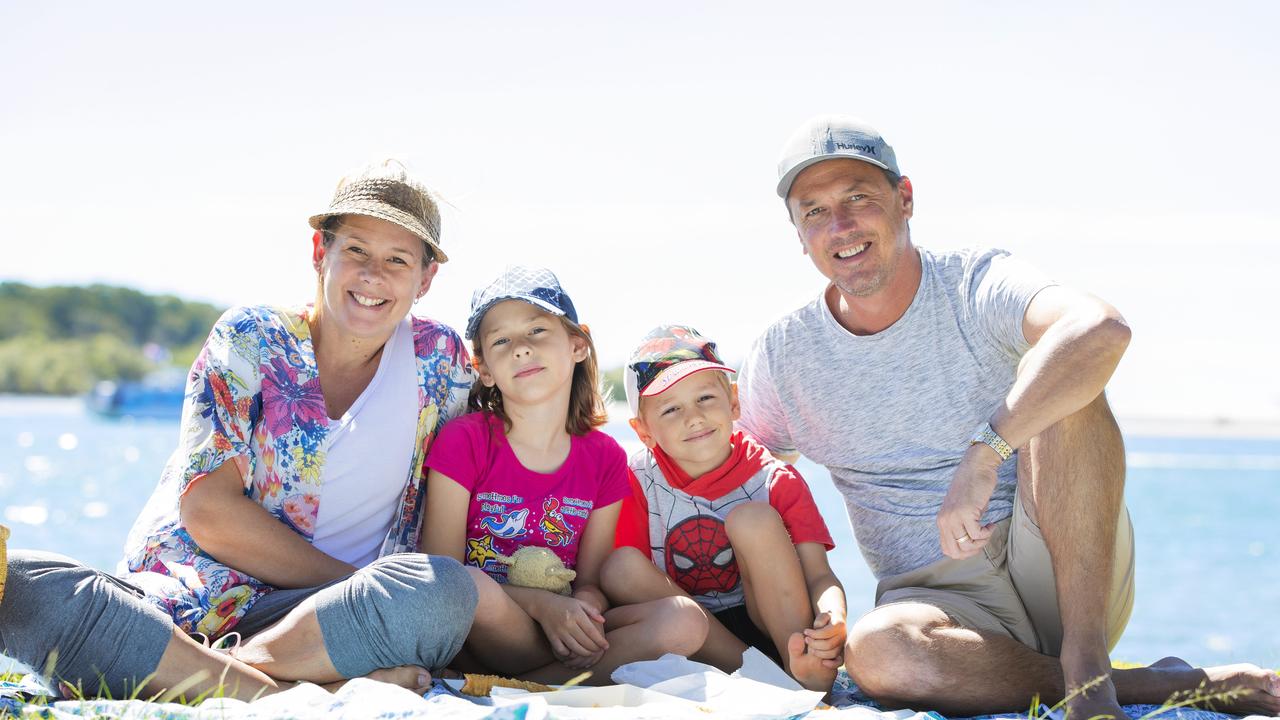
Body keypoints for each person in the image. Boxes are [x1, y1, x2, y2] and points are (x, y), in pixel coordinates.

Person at [735, 115, 1280, 718]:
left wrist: (984, 453)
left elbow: (1099, 328)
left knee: (1069, 383)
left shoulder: (973, 284)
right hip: (940, 605)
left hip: (1061, 567)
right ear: (798, 231)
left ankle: (1087, 663)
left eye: (858, 198)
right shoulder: (786, 356)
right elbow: (740, 485)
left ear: (905, 199)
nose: (840, 226)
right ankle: (1153, 684)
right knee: (878, 652)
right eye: (814, 211)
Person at [0, 160, 523, 700]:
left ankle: (209, 676)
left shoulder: (441, 361)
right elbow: (209, 513)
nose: (373, 276)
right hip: (187, 604)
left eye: (397, 260)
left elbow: (523, 443)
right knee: (19, 585)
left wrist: (544, 599)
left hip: (339, 624)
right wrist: (351, 583)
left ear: (425, 279)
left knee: (441, 593)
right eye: (357, 251)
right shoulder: (251, 339)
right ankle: (275, 690)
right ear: (321, 252)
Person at [422, 267, 707, 684]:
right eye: (501, 340)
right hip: (485, 627)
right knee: (470, 584)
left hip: (563, 633)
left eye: (537, 331)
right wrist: (540, 606)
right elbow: (443, 575)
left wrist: (582, 612)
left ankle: (545, 686)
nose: (520, 349)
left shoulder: (605, 456)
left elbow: (589, 580)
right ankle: (537, 681)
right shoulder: (464, 441)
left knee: (685, 621)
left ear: (578, 344)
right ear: (484, 369)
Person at [603, 325, 846, 692]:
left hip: (778, 633)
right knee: (619, 566)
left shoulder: (774, 479)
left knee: (755, 520)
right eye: (670, 409)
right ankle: (754, 673)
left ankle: (806, 669)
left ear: (733, 402)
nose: (694, 417)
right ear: (644, 431)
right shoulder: (637, 480)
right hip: (695, 640)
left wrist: (834, 619)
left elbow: (819, 576)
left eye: (705, 398)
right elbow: (626, 582)